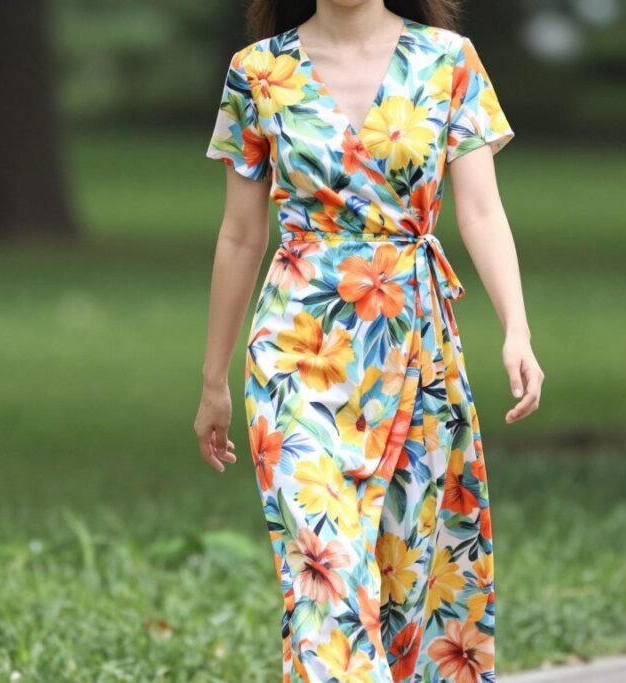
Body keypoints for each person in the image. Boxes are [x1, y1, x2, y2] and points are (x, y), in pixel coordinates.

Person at [195, 1, 543, 680]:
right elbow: (240, 234)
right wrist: (213, 379)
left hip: (414, 346)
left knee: (412, 577)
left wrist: (517, 328)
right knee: (323, 567)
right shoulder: (258, 72)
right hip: (298, 350)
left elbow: (479, 208)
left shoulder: (449, 61)